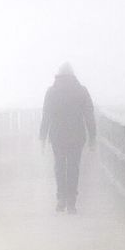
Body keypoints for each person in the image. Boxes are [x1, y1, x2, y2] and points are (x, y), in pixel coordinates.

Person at [39, 62, 96, 214]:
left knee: (59, 166)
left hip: (57, 136)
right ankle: (71, 202)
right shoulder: (81, 91)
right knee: (73, 168)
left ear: (59, 75)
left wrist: (42, 138)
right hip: (77, 137)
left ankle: (60, 199)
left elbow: (46, 116)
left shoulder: (52, 92)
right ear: (73, 75)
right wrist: (92, 138)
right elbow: (89, 116)